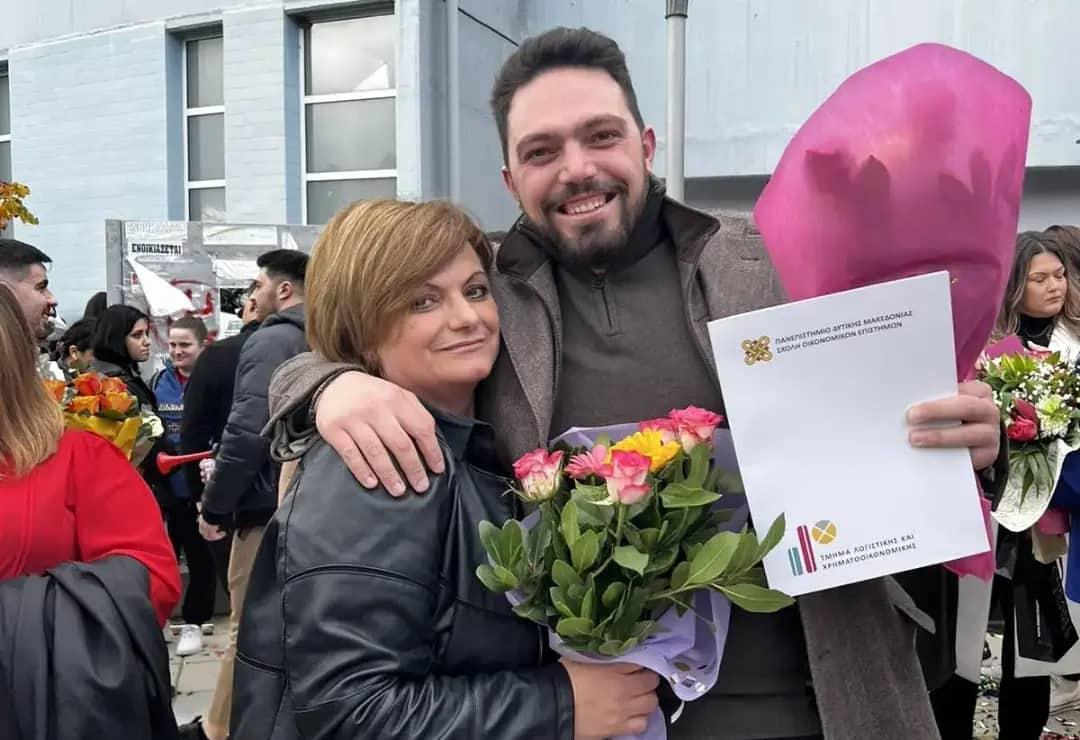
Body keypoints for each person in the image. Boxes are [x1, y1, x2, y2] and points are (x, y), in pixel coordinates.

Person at [266, 28, 1005, 740]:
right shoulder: (484, 292)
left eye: (601, 136)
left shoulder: (775, 255)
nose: (576, 168)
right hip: (598, 716)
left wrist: (967, 436)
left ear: (646, 145)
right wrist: (331, 384)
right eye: (542, 151)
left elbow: (901, 404)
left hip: (819, 699)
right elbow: (351, 328)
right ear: (510, 179)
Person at [232, 198, 657, 739]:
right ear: (361, 325)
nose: (467, 318)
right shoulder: (378, 463)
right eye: (423, 302)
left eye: (475, 291)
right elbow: (352, 711)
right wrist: (562, 705)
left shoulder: (461, 445)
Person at [181, 251, 308, 740]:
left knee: (246, 626)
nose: (251, 295)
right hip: (318, 502)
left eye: (257, 285)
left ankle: (217, 729)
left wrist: (214, 506)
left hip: (265, 508)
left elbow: (247, 432)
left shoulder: (271, 340)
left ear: (283, 289)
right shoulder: (332, 334)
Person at [0, 285, 180, 626]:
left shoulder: (80, 455)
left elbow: (149, 581)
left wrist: (26, 617)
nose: (147, 342)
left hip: (38, 654)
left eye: (146, 334)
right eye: (137, 335)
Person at [152, 316, 215, 658]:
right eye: (173, 344)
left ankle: (194, 622)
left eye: (185, 345)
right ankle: (157, 620)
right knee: (163, 559)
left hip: (201, 486)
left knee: (201, 557)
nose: (177, 351)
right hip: (167, 488)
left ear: (203, 345)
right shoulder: (158, 381)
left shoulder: (213, 381)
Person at [996, 231, 1080, 362]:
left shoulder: (1075, 328)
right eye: (1039, 279)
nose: (1054, 286)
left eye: (1059, 275)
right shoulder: (986, 339)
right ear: (1013, 285)